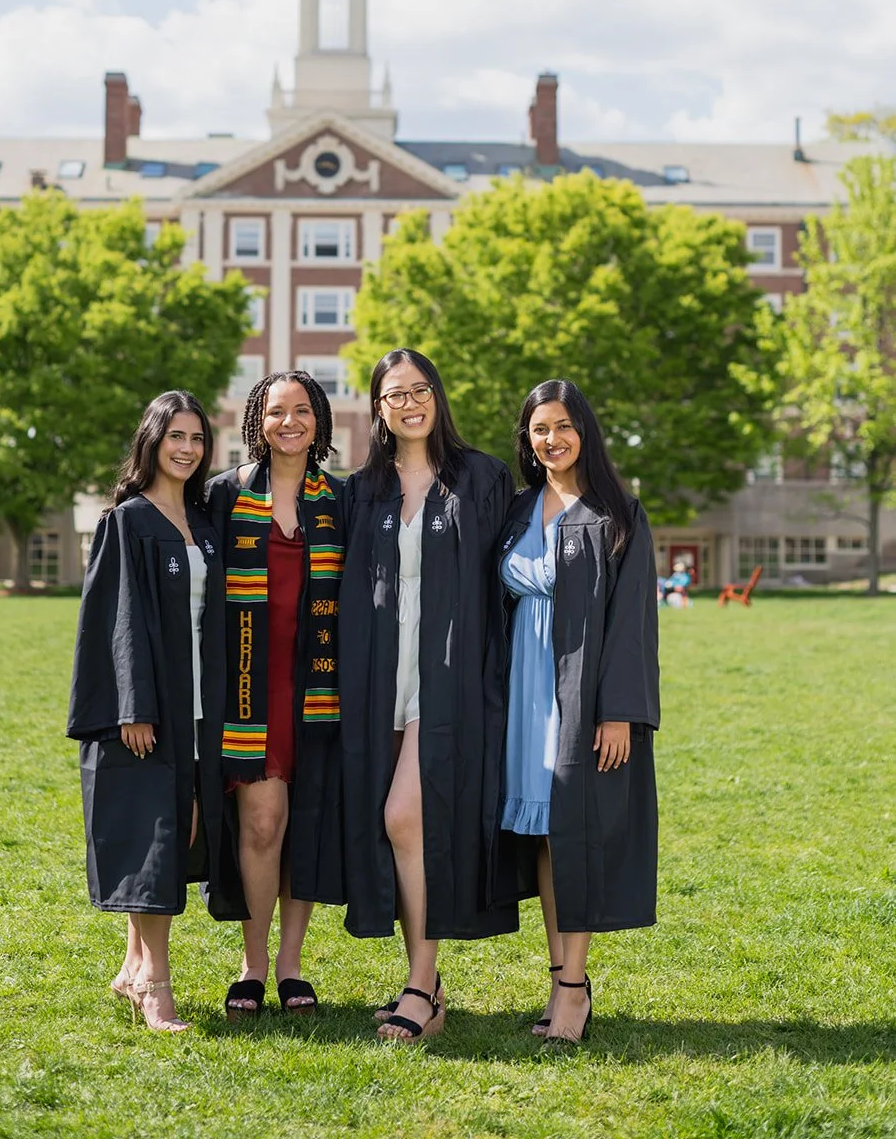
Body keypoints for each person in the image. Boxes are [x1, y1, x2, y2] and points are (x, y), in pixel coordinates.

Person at [340, 348, 517, 1043]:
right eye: (393, 395)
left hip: (448, 672)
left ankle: (421, 984)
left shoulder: (480, 477)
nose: (408, 403)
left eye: (419, 390)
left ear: (437, 397)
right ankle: (427, 983)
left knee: (404, 816)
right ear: (379, 410)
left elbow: (505, 579)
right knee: (398, 827)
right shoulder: (364, 488)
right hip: (379, 670)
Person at [66, 390, 243, 1032]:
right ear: (152, 441)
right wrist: (133, 706)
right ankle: (156, 988)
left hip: (201, 708)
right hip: (151, 712)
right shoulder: (128, 521)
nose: (188, 449)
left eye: (197, 438)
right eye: (176, 436)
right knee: (158, 840)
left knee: (183, 830)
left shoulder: (203, 521)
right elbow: (116, 623)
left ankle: (132, 965)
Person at [499, 379, 660, 1044]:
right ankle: (559, 970)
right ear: (526, 440)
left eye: (563, 426)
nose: (552, 440)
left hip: (581, 691)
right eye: (539, 429)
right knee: (542, 830)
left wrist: (616, 710)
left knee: (576, 828)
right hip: (519, 691)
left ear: (584, 432)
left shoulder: (617, 513)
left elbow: (632, 623)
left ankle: (572, 986)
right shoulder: (512, 510)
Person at [206, 371, 345, 1020]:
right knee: (261, 824)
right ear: (256, 422)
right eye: (274, 412)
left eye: (301, 411)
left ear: (319, 420)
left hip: (317, 687)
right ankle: (253, 964)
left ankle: (291, 965)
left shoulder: (338, 503)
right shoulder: (226, 496)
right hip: (247, 688)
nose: (288, 422)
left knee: (304, 828)